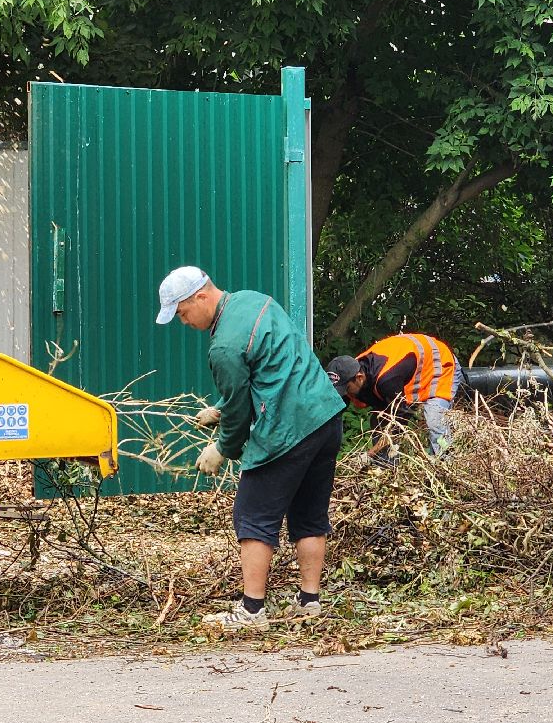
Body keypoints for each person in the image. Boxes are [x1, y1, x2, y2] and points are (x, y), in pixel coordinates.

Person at [156, 266, 346, 630]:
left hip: (289, 429)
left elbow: (242, 410)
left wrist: (222, 448)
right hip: (325, 417)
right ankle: (309, 601)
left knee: (252, 516)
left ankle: (252, 611)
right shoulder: (255, 301)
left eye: (182, 313)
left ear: (200, 296)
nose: (184, 322)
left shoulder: (223, 346)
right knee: (309, 514)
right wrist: (221, 409)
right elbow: (273, 370)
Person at [325, 333, 460, 462]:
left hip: (439, 363)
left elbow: (398, 422)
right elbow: (333, 415)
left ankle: (445, 466)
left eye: (346, 389)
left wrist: (369, 454)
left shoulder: (387, 380)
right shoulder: (350, 371)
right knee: (379, 419)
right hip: (409, 368)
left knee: (434, 419)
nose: (345, 394)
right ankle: (384, 468)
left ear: (359, 378)